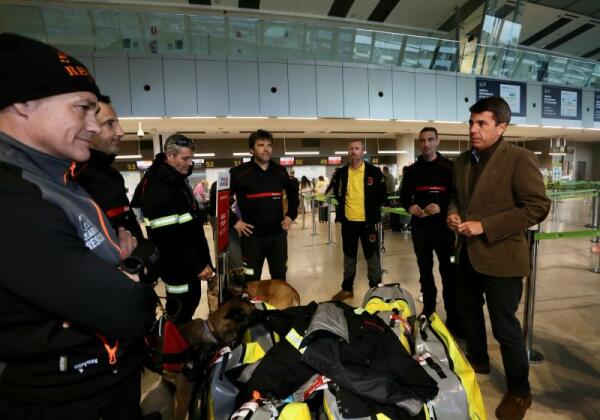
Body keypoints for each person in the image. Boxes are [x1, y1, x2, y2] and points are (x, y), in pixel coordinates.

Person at [0, 33, 157, 418]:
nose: (93, 125)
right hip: (65, 401)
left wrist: (128, 269)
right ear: (23, 101)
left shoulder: (62, 181)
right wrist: (130, 273)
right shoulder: (14, 197)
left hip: (106, 385)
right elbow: (130, 308)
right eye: (82, 109)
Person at [447, 97, 550, 420]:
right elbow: (456, 198)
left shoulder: (519, 159)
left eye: (482, 124)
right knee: (470, 314)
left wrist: (486, 226)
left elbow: (536, 206)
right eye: (471, 123)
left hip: (502, 258)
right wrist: (452, 214)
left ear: (501, 127)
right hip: (467, 255)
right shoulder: (463, 161)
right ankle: (478, 359)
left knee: (505, 326)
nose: (473, 129)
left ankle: (520, 390)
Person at [132, 134, 214, 322]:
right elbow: (170, 238)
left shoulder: (176, 180)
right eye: (185, 159)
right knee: (179, 314)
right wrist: (198, 264)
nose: (190, 163)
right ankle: (175, 349)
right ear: (170, 156)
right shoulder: (160, 185)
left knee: (189, 305)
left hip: (187, 265)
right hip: (178, 268)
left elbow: (189, 226)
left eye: (191, 158)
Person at [400, 127, 461, 334]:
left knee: (448, 271)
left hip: (444, 230)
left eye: (430, 140)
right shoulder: (412, 171)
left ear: (438, 141)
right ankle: (429, 308)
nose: (426, 144)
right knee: (424, 271)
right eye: (423, 141)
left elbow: (457, 197)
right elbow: (404, 197)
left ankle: (453, 315)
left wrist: (442, 207)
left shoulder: (449, 168)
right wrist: (409, 206)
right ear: (419, 143)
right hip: (420, 230)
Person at [229, 129, 299, 281]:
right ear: (251, 150)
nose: (266, 148)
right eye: (261, 145)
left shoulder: (280, 172)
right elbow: (220, 200)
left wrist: (290, 215)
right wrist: (235, 222)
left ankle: (279, 306)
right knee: (251, 281)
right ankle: (253, 306)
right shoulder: (238, 173)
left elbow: (293, 194)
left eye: (269, 145)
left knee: (280, 278)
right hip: (252, 238)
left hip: (277, 236)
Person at [329, 140, 387, 301]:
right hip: (348, 223)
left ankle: (375, 290)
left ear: (363, 152)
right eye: (351, 148)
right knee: (349, 256)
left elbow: (383, 196)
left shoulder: (373, 172)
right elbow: (337, 194)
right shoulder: (341, 173)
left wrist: (373, 210)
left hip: (368, 223)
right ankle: (347, 289)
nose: (354, 151)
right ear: (348, 151)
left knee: (372, 256)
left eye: (357, 148)